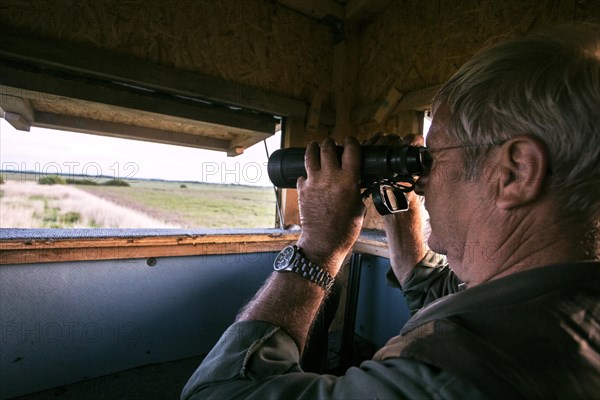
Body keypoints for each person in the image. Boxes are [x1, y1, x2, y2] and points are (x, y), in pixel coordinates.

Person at [181, 24, 600, 399]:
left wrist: (318, 247)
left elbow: (219, 391)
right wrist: (397, 203)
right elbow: (432, 290)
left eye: (433, 159)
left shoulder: (455, 372)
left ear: (514, 172)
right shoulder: (557, 300)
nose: (422, 180)